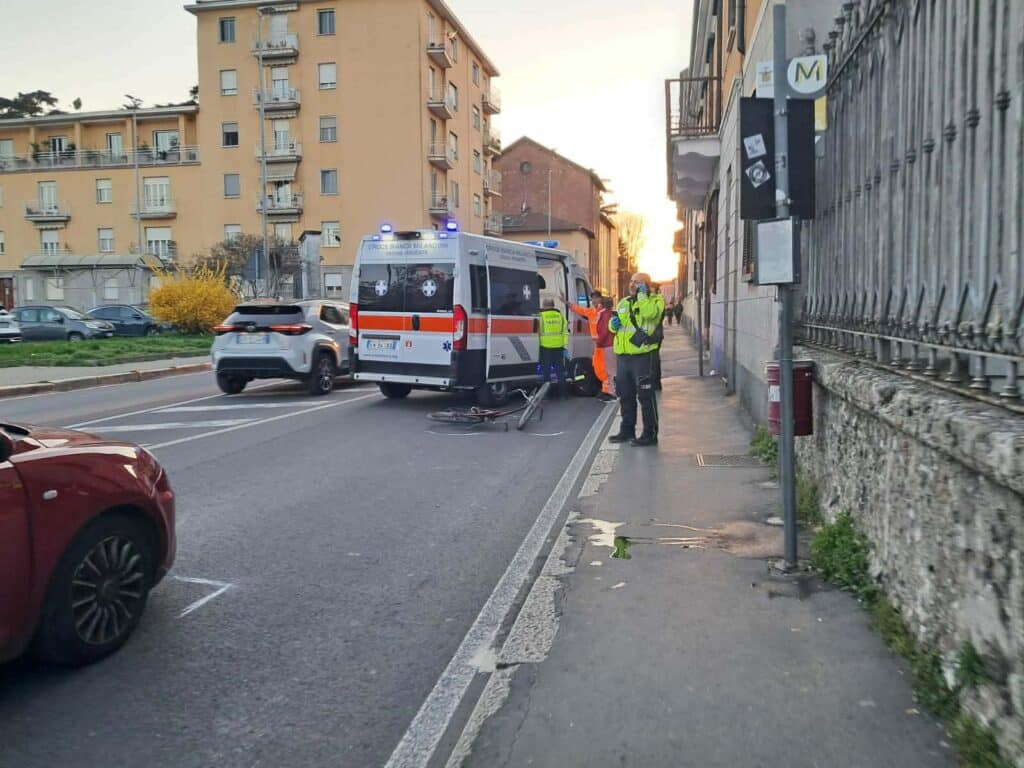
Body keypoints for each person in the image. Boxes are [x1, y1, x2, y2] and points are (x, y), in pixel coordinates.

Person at [609, 273, 665, 446]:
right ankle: (627, 430)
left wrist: (642, 295)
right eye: (631, 281)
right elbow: (614, 326)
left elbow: (649, 315)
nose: (632, 284)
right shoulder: (624, 302)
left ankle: (650, 434)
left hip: (643, 355)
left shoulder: (655, 301)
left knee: (645, 396)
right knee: (625, 395)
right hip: (623, 355)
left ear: (646, 285)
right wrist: (613, 324)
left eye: (637, 282)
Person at [570, 290, 611, 400]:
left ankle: (607, 392)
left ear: (600, 299)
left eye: (595, 298)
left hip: (603, 344)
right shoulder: (591, 312)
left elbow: (606, 329)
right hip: (597, 345)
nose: (593, 300)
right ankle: (605, 390)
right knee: (597, 367)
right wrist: (566, 302)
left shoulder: (604, 312)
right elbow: (578, 309)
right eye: (592, 298)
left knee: (603, 368)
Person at [538, 298, 569, 399]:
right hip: (558, 347)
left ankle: (547, 395)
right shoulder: (560, 316)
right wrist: (564, 345)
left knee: (546, 372)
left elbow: (538, 332)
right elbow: (565, 332)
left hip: (545, 347)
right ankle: (563, 395)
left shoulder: (541, 316)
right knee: (560, 372)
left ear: (544, 305)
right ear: (553, 305)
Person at [597, 297, 617, 401]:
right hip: (614, 343)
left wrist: (599, 343)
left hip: (607, 344)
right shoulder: (613, 314)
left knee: (610, 370)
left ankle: (612, 393)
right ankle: (612, 391)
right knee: (613, 369)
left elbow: (604, 330)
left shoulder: (604, 314)